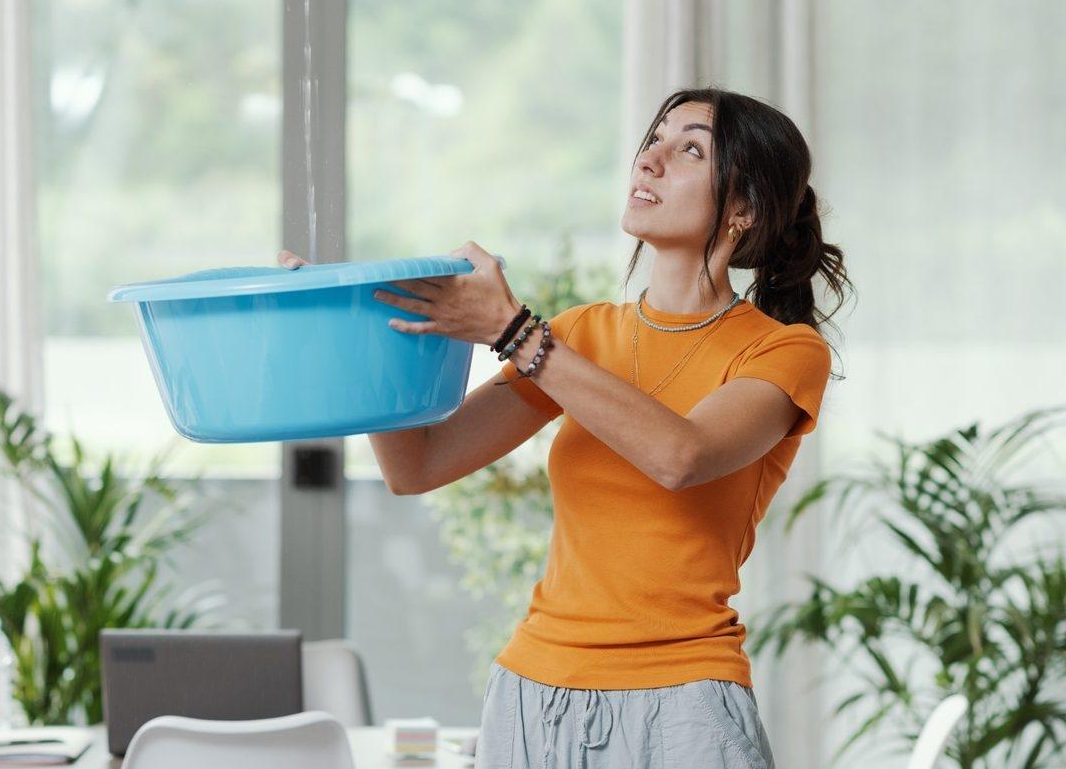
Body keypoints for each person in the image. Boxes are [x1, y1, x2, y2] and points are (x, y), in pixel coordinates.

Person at [279, 86, 853, 769]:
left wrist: (515, 333)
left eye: (690, 149)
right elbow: (418, 466)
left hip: (684, 705)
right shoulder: (581, 336)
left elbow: (681, 455)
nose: (651, 159)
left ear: (743, 210)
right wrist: (359, 330)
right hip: (532, 693)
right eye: (655, 140)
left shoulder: (784, 354)